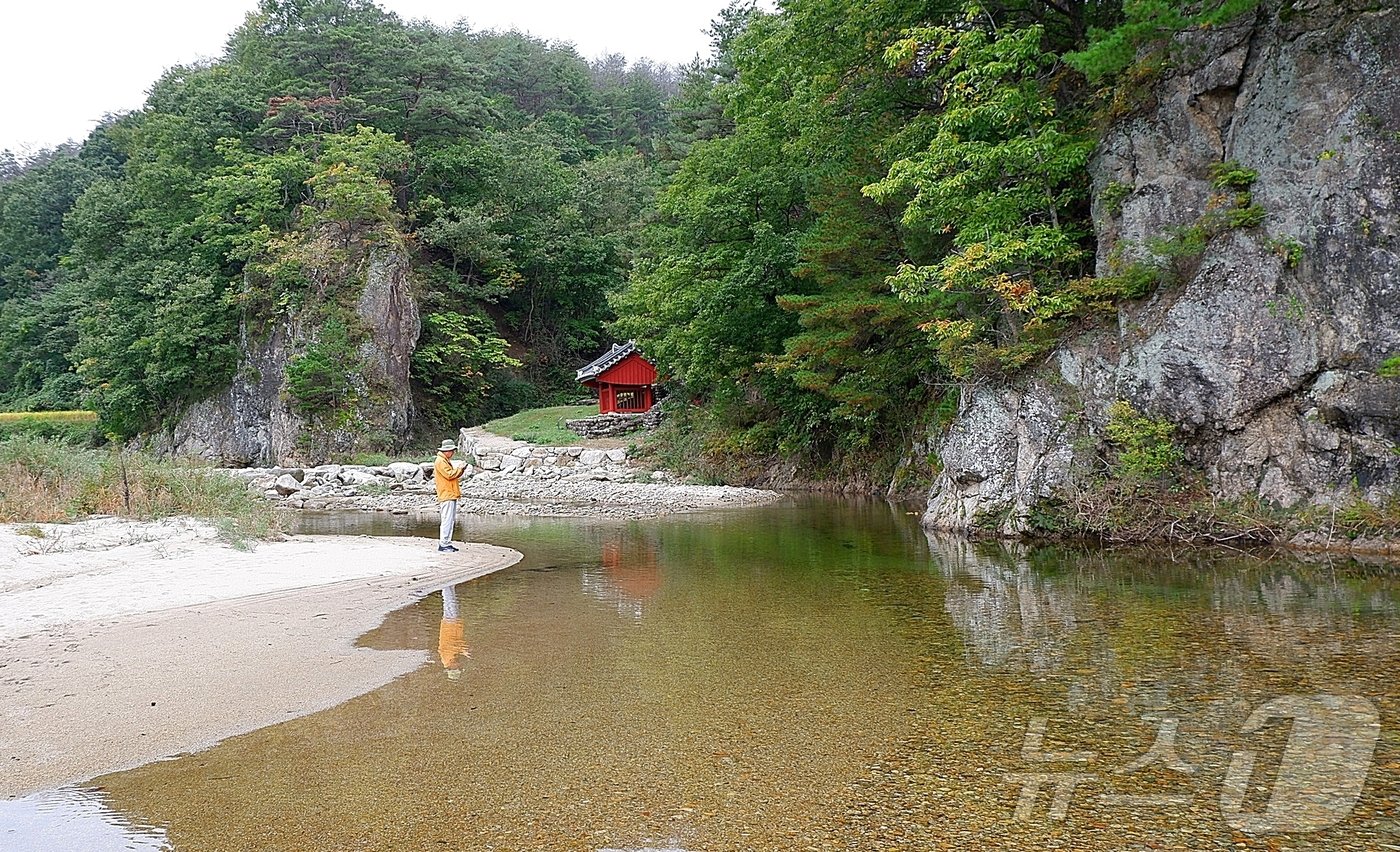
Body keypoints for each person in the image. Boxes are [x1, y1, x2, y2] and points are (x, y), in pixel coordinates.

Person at [433, 439, 467, 552]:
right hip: (446, 494)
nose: (453, 453)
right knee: (447, 519)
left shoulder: (444, 460)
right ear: (446, 451)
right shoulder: (441, 461)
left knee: (450, 519)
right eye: (452, 450)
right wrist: (460, 468)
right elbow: (449, 475)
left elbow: (452, 475)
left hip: (449, 494)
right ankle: (444, 544)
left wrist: (461, 470)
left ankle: (447, 542)